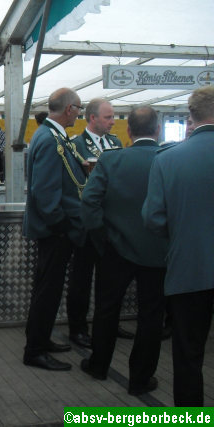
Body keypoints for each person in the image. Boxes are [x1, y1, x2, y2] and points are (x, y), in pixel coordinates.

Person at [79, 106, 167, 396]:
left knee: (106, 309)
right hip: (157, 250)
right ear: (158, 130)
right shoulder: (167, 159)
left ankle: (99, 365)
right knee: (151, 315)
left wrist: (102, 237)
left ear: (128, 130)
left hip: (115, 249)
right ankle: (140, 379)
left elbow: (89, 202)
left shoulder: (110, 159)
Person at [142, 85, 214, 407]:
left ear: (191, 116)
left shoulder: (168, 159)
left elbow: (153, 218)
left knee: (188, 354)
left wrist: (182, 233)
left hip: (188, 268)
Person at [23, 87, 86, 371]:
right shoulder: (50, 139)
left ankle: (40, 339)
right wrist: (61, 226)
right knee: (48, 291)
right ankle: (35, 350)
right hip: (55, 230)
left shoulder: (50, 135)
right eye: (79, 109)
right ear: (70, 109)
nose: (79, 115)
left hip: (54, 228)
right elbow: (45, 191)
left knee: (46, 288)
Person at [67, 98, 125, 348]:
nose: (112, 122)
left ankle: (109, 323)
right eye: (108, 117)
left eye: (113, 117)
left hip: (112, 223)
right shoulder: (76, 145)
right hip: (88, 224)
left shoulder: (116, 143)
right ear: (92, 118)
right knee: (81, 279)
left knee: (110, 279)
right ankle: (78, 328)